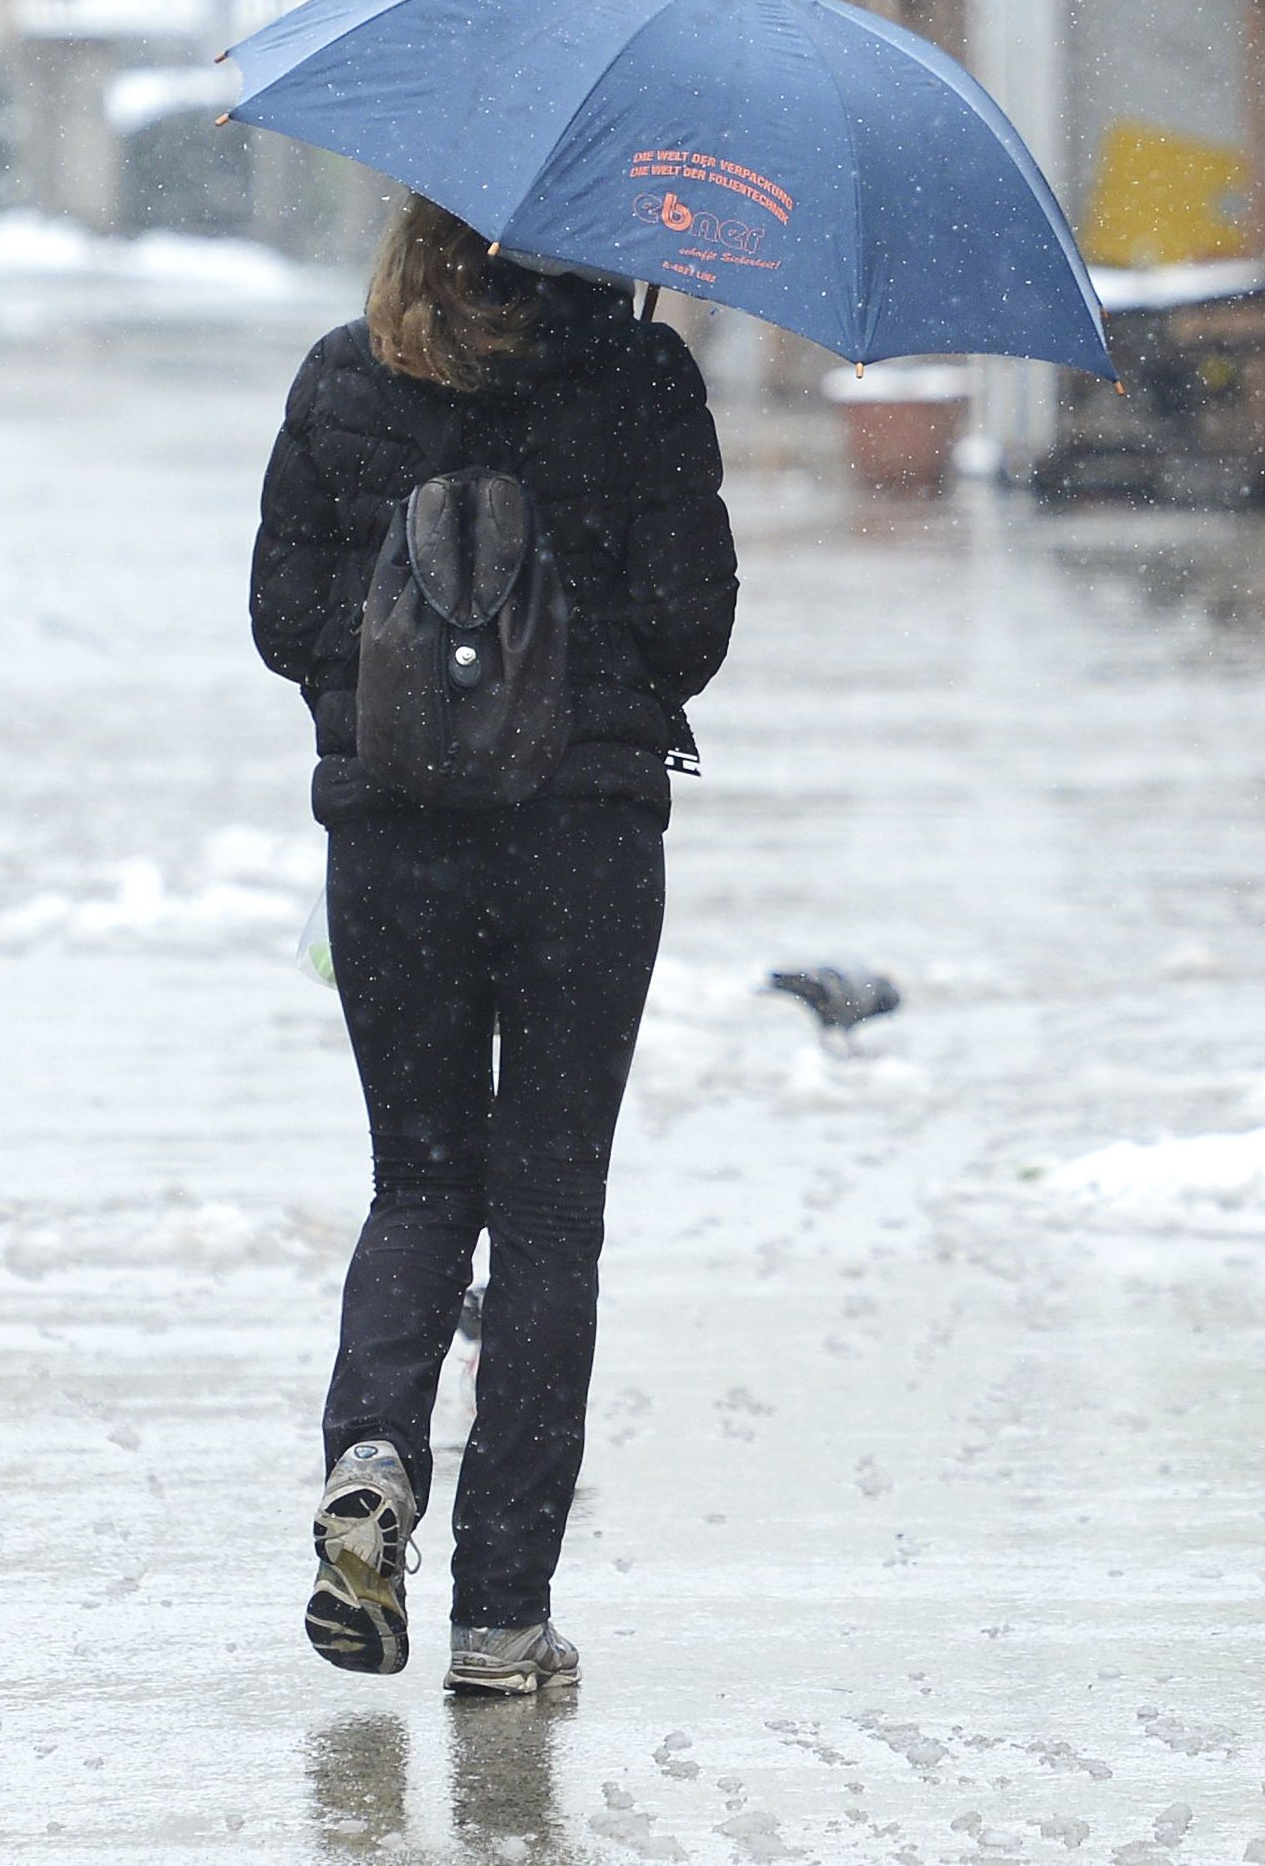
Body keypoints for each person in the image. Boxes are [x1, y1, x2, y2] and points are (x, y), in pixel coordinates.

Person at [251, 193, 737, 1694]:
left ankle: (376, 1454)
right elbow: (692, 625)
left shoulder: (342, 377)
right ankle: (498, 1619)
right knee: (544, 1215)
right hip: (582, 842)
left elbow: (280, 619)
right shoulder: (641, 377)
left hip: (390, 841)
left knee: (416, 1182)